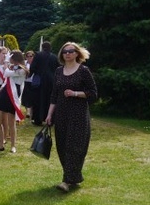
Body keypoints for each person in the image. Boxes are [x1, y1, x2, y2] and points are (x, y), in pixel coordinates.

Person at [45, 43, 97, 192]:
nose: (67, 54)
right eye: (64, 51)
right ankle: (74, 176)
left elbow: (93, 93)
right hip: (61, 114)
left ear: (76, 53)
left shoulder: (83, 71)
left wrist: (75, 93)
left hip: (78, 114)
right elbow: (54, 94)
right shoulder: (59, 71)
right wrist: (49, 114)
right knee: (61, 146)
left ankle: (66, 181)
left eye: (70, 51)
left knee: (74, 146)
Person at [0, 50, 27, 153]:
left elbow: (6, 73)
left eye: (10, 56)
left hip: (13, 96)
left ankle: (13, 145)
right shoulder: (12, 67)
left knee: (11, 123)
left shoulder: (22, 70)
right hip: (4, 95)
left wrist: (6, 63)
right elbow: (5, 81)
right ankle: (1, 144)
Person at [30, 41, 60, 125]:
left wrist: (30, 74)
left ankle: (38, 119)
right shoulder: (54, 57)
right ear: (50, 48)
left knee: (38, 99)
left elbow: (33, 67)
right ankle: (50, 119)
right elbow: (58, 68)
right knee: (50, 99)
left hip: (39, 80)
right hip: (51, 81)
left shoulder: (38, 55)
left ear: (42, 47)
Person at [22, 50, 35, 120]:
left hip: (33, 82)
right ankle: (28, 111)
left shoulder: (35, 64)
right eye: (28, 56)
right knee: (26, 97)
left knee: (31, 97)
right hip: (26, 82)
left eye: (31, 56)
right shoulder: (25, 64)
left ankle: (30, 112)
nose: (29, 58)